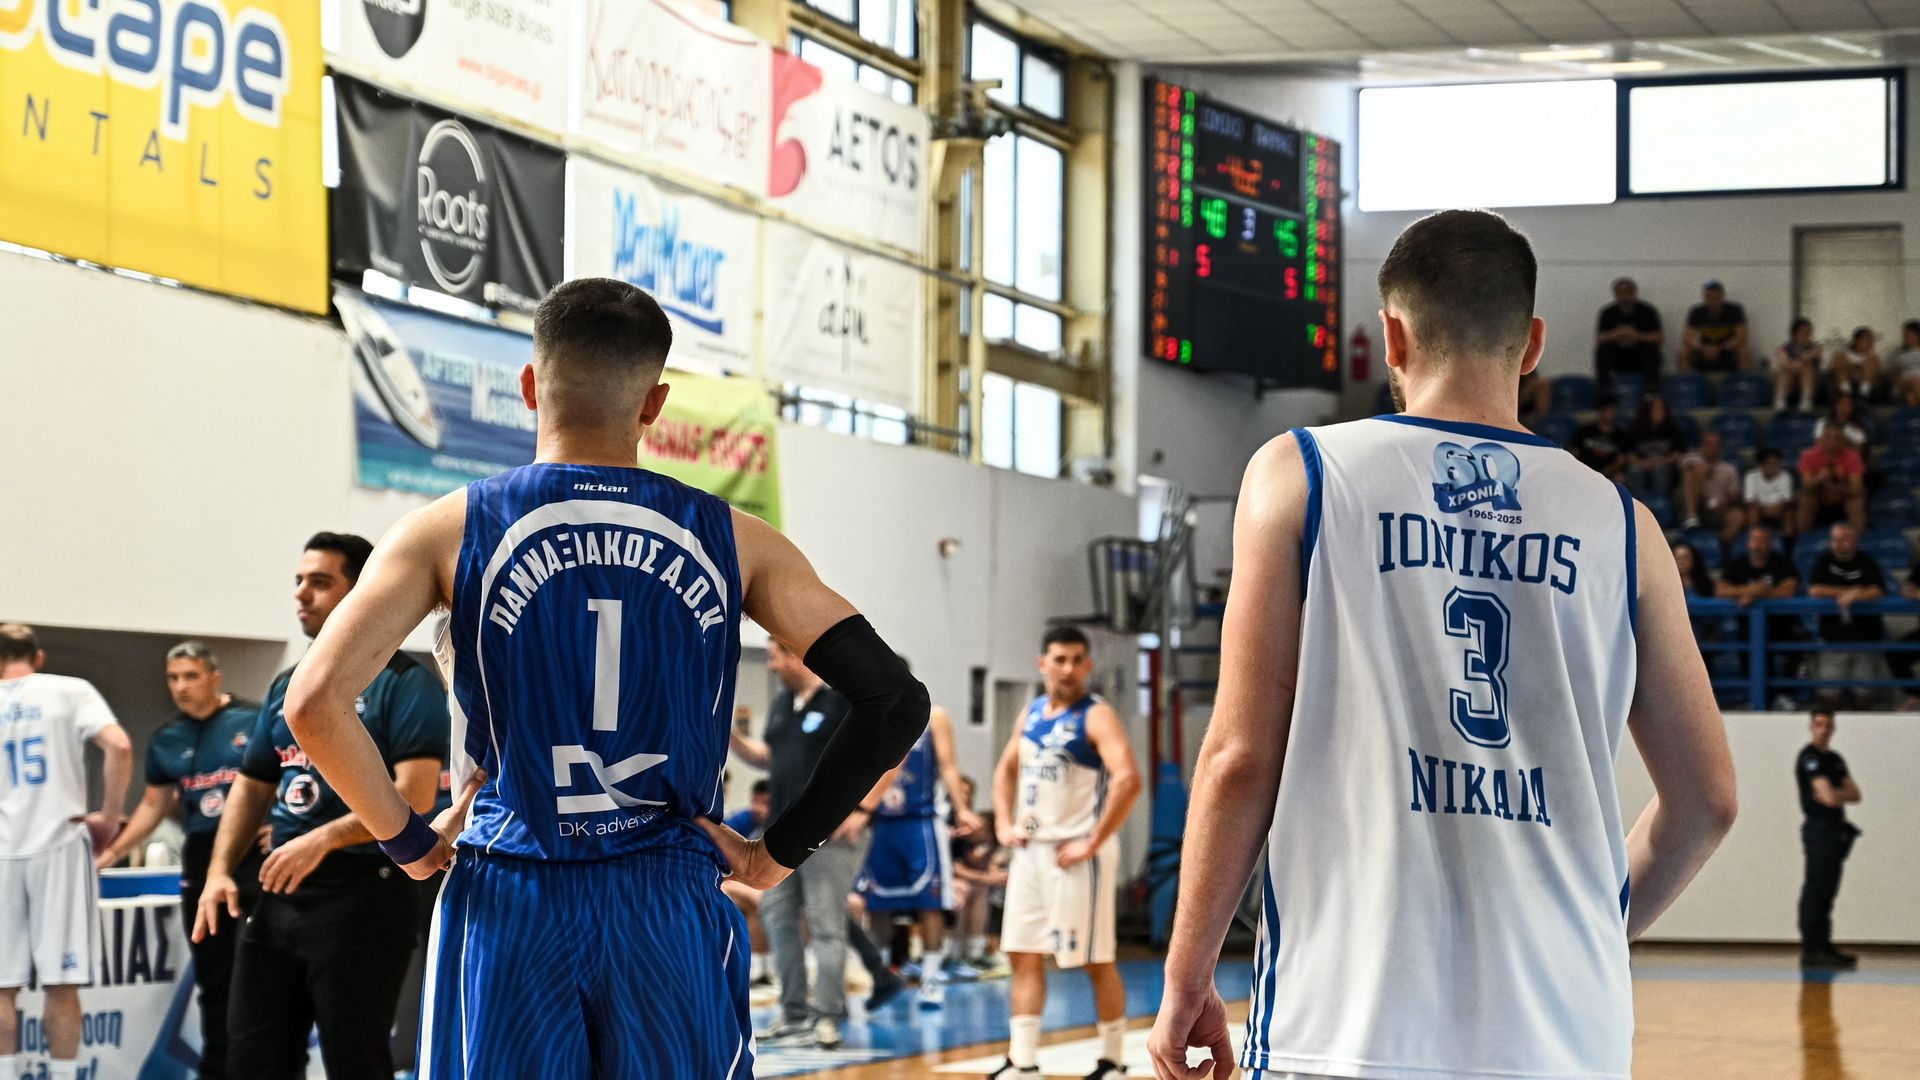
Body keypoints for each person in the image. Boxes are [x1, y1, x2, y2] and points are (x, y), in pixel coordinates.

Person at [276, 278, 931, 1079]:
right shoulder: (740, 539)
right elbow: (894, 701)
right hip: (665, 898)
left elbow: (314, 703)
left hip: (509, 892)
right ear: (655, 404)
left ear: (529, 386)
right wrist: (776, 855)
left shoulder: (444, 529)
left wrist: (410, 844)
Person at [1149, 210, 1737, 1080]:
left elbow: (1239, 758)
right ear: (1532, 344)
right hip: (1566, 1038)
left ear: (1391, 335)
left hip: (1348, 1024)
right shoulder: (1624, 524)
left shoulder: (1300, 473)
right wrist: (1586, 937)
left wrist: (1187, 975)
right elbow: (1708, 802)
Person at [190, 533, 449, 1080]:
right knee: (252, 1061)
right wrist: (218, 872)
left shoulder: (406, 684)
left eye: (320, 581)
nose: (301, 593)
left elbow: (415, 794)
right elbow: (253, 785)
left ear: (360, 592)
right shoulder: (289, 684)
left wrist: (323, 838)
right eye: (299, 581)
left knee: (356, 1062)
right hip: (280, 893)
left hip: (365, 892)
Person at [93, 641, 262, 1079]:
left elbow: (287, 775)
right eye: (173, 678)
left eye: (191, 676)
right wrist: (110, 854)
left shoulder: (254, 720)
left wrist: (283, 823)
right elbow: (153, 805)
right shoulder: (168, 738)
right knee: (213, 977)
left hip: (256, 857)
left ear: (214, 677)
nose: (181, 687)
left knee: (261, 975)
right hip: (202, 857)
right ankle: (217, 1070)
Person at [729, 638, 901, 1047]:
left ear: (794, 655)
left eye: (775, 658)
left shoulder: (843, 701)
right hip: (782, 833)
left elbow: (894, 752)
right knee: (777, 917)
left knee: (826, 925)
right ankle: (793, 1014)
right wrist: (729, 735)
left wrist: (863, 810)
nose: (771, 667)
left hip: (829, 834)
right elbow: (769, 758)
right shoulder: (783, 705)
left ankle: (827, 1017)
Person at [989, 626, 1142, 1080]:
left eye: (1078, 660)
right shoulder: (1031, 712)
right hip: (1031, 852)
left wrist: (1093, 841)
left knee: (1095, 959)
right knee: (1022, 954)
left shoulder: (1097, 715)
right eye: (1060, 659)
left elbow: (1129, 779)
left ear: (1088, 665)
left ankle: (1113, 1060)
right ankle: (1023, 1061)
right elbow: (1005, 771)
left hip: (1077, 856)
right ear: (1043, 664)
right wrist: (1002, 823)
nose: (1069, 668)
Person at [0, 624, 133, 1080]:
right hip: (58, 842)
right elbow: (119, 745)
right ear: (38, 658)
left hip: (2, 852)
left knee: (2, 986)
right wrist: (110, 816)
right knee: (61, 982)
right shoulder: (69, 690)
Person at [859, 685, 983, 1008]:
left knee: (931, 901)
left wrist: (962, 809)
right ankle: (882, 977)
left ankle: (930, 978)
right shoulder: (864, 713)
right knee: (877, 903)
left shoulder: (933, 716)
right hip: (880, 822)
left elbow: (949, 766)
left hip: (921, 822)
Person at [1796, 710, 1863, 969]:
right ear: (1811, 727)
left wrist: (1836, 794)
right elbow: (1829, 798)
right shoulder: (1810, 758)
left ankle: (1824, 945)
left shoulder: (1834, 759)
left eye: (1828, 725)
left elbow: (1855, 794)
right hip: (1819, 830)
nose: (1823, 730)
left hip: (1835, 829)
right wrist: (1837, 793)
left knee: (1828, 891)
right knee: (1816, 890)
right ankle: (1812, 949)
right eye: (1819, 724)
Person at [1806, 523, 1890, 710]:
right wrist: (1851, 592)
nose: (1839, 543)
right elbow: (1815, 590)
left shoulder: (1866, 561)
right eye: (1835, 539)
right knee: (1829, 695)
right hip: (1833, 639)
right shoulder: (1824, 560)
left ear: (1855, 541)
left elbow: (1878, 590)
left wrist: (1857, 595)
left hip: (1865, 639)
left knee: (1864, 696)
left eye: (1844, 538)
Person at [1593, 276, 1663, 391]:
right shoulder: (1607, 312)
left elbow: (1658, 338)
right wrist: (1616, 333)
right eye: (1620, 292)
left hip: (1639, 355)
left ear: (1634, 292)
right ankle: (1604, 389)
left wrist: (1636, 335)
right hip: (1618, 356)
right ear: (1615, 294)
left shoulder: (1648, 311)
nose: (1624, 296)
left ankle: (1652, 388)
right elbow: (1599, 338)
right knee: (1602, 349)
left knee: (1651, 349)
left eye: (1628, 292)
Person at [1797, 425, 1867, 534]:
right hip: (1819, 496)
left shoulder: (1853, 457)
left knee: (1857, 501)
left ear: (1844, 441)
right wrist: (1820, 478)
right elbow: (1807, 486)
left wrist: (1838, 488)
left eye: (1838, 437)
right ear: (1820, 440)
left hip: (1844, 495)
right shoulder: (1808, 456)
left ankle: (1857, 539)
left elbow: (1856, 489)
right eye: (1829, 437)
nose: (1833, 441)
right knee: (1806, 498)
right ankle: (1802, 538)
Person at [1679, 428, 1744, 541]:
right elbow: (1683, 470)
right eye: (1709, 444)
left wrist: (1724, 504)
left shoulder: (1729, 469)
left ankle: (1721, 543)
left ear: (1721, 447)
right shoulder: (1691, 459)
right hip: (1696, 503)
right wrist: (1701, 470)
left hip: (1717, 507)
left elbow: (1734, 496)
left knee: (1738, 515)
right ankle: (1692, 516)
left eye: (1716, 444)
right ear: (1702, 446)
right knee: (1690, 475)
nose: (1712, 448)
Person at [1679, 279, 1750, 372]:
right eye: (1709, 296)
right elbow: (1688, 338)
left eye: (1716, 296)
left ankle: (1743, 380)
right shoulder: (1696, 312)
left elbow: (1741, 337)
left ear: (1722, 295)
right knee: (1684, 352)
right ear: (1705, 296)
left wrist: (1719, 348)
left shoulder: (1735, 310)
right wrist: (1703, 348)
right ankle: (1687, 380)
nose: (1713, 300)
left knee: (1744, 351)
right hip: (1704, 349)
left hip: (1727, 349)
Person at [1626, 395, 1687, 497]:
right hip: (1642, 464)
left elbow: (1678, 454)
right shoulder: (1636, 429)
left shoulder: (1673, 429)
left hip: (1665, 465)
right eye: (1656, 409)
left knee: (1660, 471)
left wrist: (1661, 462)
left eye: (1662, 408)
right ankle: (1637, 501)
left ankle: (1662, 501)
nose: (1660, 411)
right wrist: (1641, 463)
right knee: (1635, 471)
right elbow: (1629, 454)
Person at [1572, 396, 1630, 482]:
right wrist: (1581, 469)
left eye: (1612, 410)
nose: (1610, 413)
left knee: (1620, 478)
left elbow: (1621, 460)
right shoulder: (1585, 431)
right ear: (1600, 411)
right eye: (1607, 410)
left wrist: (1607, 471)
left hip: (1609, 474)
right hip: (1584, 470)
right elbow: (1574, 452)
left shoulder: (1620, 435)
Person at [1770, 317, 1822, 412]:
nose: (1807, 335)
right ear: (1794, 334)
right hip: (1791, 384)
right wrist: (1799, 364)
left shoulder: (1816, 347)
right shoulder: (1783, 348)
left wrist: (1797, 363)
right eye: (1803, 332)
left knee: (1808, 367)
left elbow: (1813, 356)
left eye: (1809, 332)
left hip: (1812, 385)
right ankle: (1780, 399)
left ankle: (1806, 400)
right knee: (1787, 371)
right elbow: (1784, 364)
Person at [1744, 449, 1798, 537]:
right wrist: (1764, 509)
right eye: (1770, 463)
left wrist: (1776, 509)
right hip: (1760, 508)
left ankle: (1788, 541)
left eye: (1777, 463)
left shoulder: (1785, 475)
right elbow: (1750, 500)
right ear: (1761, 465)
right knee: (1752, 511)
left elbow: (1787, 500)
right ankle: (1754, 538)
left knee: (1789, 513)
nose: (1774, 466)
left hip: (1780, 508)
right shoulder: (1751, 476)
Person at [1827, 327, 1881, 403]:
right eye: (1867, 339)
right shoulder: (1842, 354)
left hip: (1866, 385)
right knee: (1841, 366)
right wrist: (1854, 368)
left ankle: (1862, 398)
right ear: (1857, 340)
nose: (1870, 342)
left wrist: (1855, 367)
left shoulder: (1872, 357)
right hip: (1845, 382)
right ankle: (1847, 397)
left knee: (1870, 363)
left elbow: (1876, 372)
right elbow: (1830, 368)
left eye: (1871, 339)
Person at [1815, 392, 1872, 458]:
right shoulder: (1823, 422)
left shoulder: (1857, 428)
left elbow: (1857, 454)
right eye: (1840, 404)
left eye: (1847, 405)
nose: (1843, 408)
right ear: (1835, 405)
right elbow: (1818, 445)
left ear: (1852, 408)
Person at [1888, 320, 1920, 406]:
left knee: (1912, 397)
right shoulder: (1899, 353)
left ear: (1917, 335)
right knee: (1916, 381)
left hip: (1914, 387)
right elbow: (1893, 374)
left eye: (1908, 335)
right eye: (1904, 336)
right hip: (1903, 383)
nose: (1905, 338)